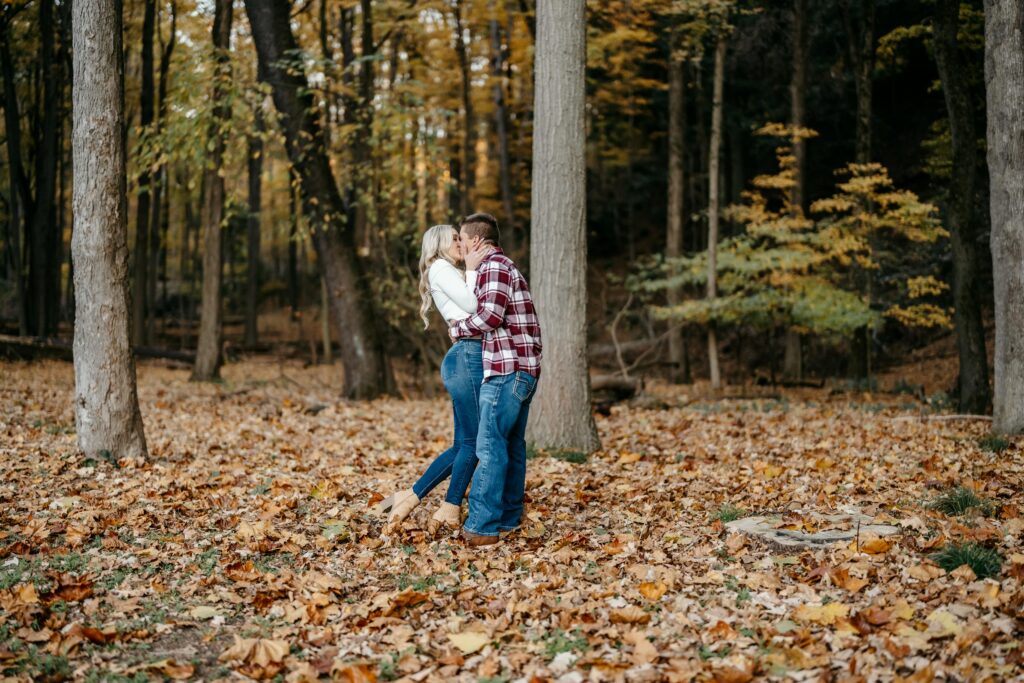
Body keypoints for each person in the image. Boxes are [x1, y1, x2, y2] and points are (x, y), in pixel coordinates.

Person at [383, 224, 487, 534]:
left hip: (466, 357)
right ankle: (449, 507)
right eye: (454, 238)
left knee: (464, 445)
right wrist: (472, 269)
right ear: (439, 244)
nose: (460, 242)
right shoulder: (441, 267)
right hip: (466, 358)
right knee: (473, 443)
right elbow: (472, 305)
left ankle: (411, 497)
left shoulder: (448, 270)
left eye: (460, 237)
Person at [449, 213, 542, 547]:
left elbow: (490, 316)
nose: (460, 245)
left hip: (507, 370)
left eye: (462, 239)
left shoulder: (496, 267)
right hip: (520, 370)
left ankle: (482, 526)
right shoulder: (501, 267)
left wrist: (457, 329)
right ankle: (508, 518)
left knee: (489, 445)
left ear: (476, 240)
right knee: (510, 445)